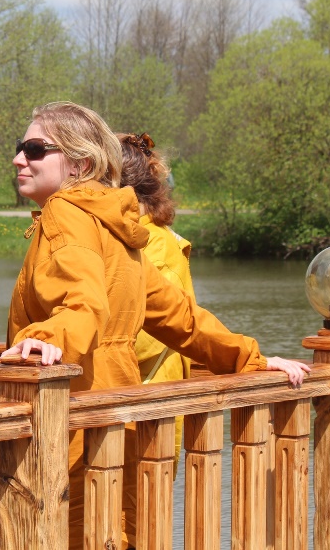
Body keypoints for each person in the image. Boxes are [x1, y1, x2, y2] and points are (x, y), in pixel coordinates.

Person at [0, 102, 309, 550]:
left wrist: (44, 340)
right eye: (21, 147)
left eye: (35, 149)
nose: (19, 158)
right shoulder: (113, 225)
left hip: (68, 426)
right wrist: (250, 358)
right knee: (112, 533)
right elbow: (180, 318)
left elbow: (83, 303)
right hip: (117, 419)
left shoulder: (65, 215)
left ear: (81, 163)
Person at [118, 131, 193, 469]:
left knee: (134, 519)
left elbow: (148, 340)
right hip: (125, 413)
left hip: (146, 420)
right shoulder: (130, 238)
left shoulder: (156, 246)